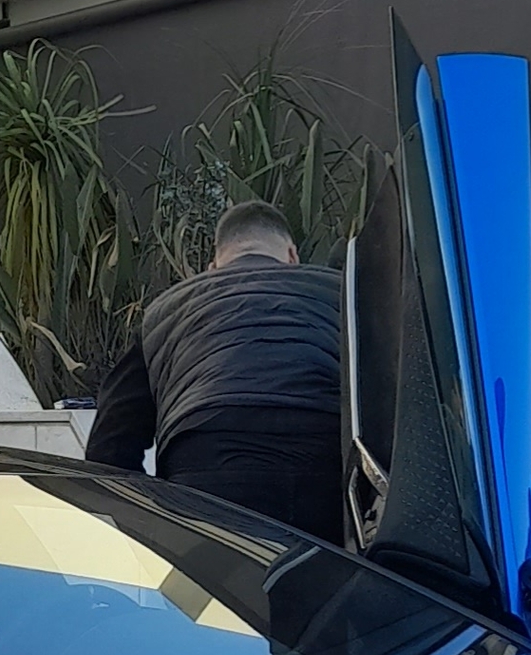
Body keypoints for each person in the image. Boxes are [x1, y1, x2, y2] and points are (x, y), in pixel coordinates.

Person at [85, 201, 343, 538]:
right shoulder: (338, 291)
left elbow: (110, 446)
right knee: (329, 583)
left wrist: (153, 522)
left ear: (213, 268)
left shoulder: (165, 312)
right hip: (321, 451)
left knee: (216, 586)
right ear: (292, 256)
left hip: (205, 456)